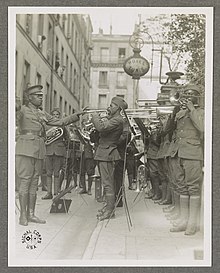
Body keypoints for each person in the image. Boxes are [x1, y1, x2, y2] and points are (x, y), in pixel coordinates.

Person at [16, 84, 85, 226]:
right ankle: (23, 216)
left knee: (34, 182)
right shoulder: (22, 110)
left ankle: (31, 214)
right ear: (29, 97)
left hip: (39, 149)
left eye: (42, 96)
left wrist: (77, 115)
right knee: (25, 181)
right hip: (25, 148)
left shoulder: (42, 113)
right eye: (38, 96)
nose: (41, 98)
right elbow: (13, 109)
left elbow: (59, 122)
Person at [168, 84, 204, 235]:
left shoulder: (201, 112)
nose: (187, 97)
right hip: (179, 153)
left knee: (193, 188)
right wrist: (175, 111)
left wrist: (192, 109)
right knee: (182, 187)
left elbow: (202, 128)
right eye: (185, 94)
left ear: (196, 97)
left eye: (190, 94)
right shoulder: (181, 112)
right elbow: (169, 130)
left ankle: (192, 224)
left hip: (193, 153)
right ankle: (184, 221)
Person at [91, 96, 127, 221]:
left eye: (111, 105)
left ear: (118, 108)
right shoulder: (113, 119)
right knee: (106, 183)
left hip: (108, 153)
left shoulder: (118, 120)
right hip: (104, 152)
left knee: (108, 184)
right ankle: (108, 207)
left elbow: (101, 128)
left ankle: (110, 211)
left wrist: (95, 117)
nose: (108, 107)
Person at [42, 108, 69, 199]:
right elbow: (43, 136)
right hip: (49, 150)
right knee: (49, 172)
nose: (56, 116)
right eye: (54, 115)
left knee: (57, 172)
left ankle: (56, 193)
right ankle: (49, 193)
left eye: (57, 115)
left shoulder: (62, 126)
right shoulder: (47, 126)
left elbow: (67, 138)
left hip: (59, 151)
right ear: (51, 116)